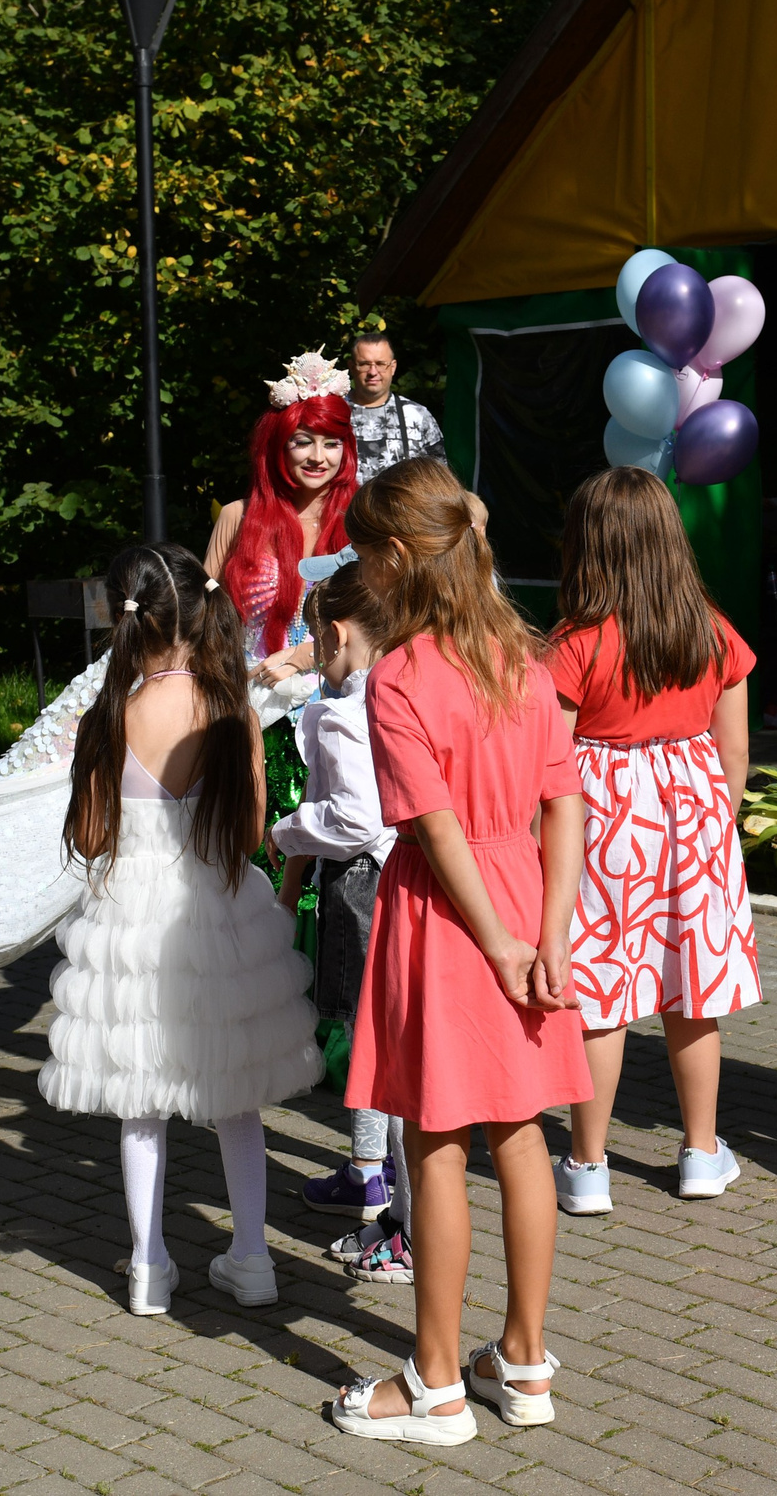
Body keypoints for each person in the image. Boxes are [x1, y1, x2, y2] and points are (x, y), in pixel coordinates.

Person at [327, 458, 588, 1447]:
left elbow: (434, 833)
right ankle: (523, 1365)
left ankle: (434, 1386)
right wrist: (546, 935)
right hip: (521, 891)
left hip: (449, 920)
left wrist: (499, 943)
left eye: (364, 558)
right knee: (521, 1137)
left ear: (397, 558)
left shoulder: (399, 676)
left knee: (436, 1147)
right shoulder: (525, 660)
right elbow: (565, 805)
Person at [38, 543, 323, 1316]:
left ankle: (147, 1264)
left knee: (141, 1098)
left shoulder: (112, 712)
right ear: (202, 609)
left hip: (132, 915)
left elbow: (94, 833)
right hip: (215, 904)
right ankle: (254, 1256)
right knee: (236, 1097)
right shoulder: (229, 706)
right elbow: (252, 829)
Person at [544, 467, 757, 1212]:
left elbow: (549, 758)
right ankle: (701, 1152)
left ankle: (588, 1165)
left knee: (600, 992)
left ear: (589, 546)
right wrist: (710, 828)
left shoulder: (573, 644)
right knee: (692, 990)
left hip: (601, 819)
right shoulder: (714, 630)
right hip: (695, 812)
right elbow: (734, 752)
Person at [271, 562, 405, 1233]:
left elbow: (354, 818)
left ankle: (373, 1173)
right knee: (382, 1029)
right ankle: (372, 1166)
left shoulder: (340, 714)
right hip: (398, 874)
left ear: (339, 633)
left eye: (315, 636)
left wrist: (286, 829)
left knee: (367, 1032)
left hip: (360, 880)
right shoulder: (399, 692)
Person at [205, 349, 360, 679]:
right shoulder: (238, 517)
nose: (318, 457)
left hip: (341, 695)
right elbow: (202, 614)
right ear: (278, 446)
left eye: (332, 444)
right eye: (303, 442)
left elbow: (389, 618)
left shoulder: (363, 521)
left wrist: (303, 657)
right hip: (249, 691)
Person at [346, 331, 445, 481]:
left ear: (393, 367)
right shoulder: (331, 412)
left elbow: (439, 478)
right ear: (352, 367)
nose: (373, 372)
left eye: (380, 364)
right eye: (365, 364)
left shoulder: (417, 416)